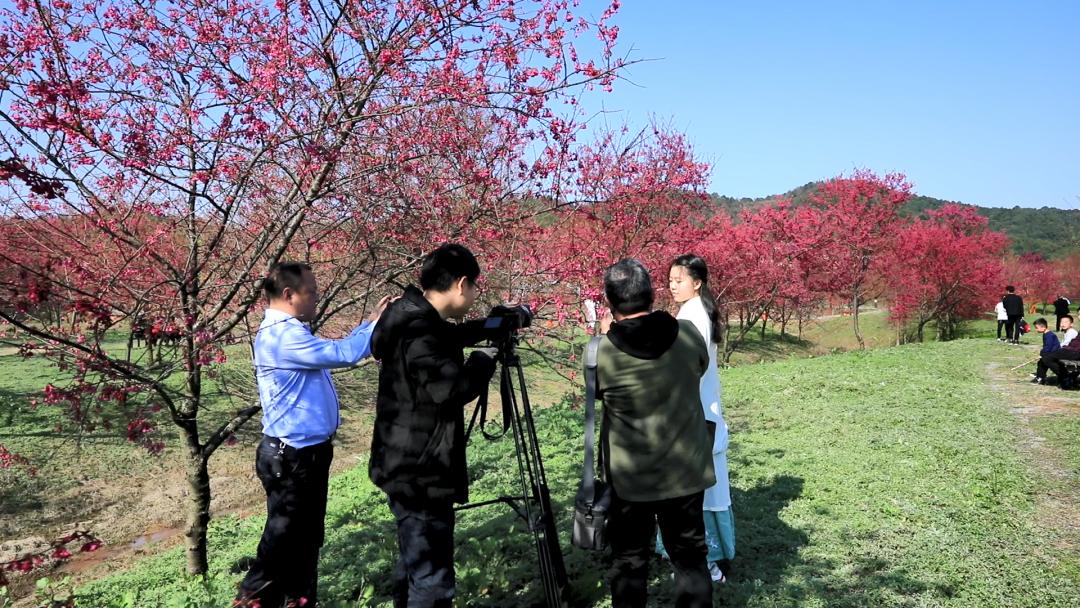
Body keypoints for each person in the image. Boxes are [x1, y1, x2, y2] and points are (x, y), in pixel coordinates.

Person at [237, 262, 387, 607]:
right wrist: (375, 326)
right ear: (289, 295)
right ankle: (253, 596)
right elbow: (345, 354)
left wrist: (368, 325)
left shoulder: (289, 332)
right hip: (292, 455)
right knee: (285, 534)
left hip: (305, 452)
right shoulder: (282, 336)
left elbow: (338, 350)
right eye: (312, 291)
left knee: (305, 537)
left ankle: (297, 599)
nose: (317, 298)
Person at [369, 243, 497, 608]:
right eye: (474, 286)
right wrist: (482, 362)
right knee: (432, 578)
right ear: (460, 284)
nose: (474, 294)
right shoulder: (420, 330)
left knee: (416, 559)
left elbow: (447, 337)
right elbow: (451, 388)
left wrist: (491, 325)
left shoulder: (408, 316)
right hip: (421, 470)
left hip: (402, 461)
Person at [596, 258, 715, 608]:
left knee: (630, 562)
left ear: (610, 302)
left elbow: (599, 391)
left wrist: (607, 336)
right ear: (651, 294)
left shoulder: (602, 352)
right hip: (685, 471)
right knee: (691, 559)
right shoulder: (688, 335)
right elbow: (699, 367)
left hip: (631, 478)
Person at [665, 254, 735, 582]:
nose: (672, 286)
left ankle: (705, 564)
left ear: (697, 282)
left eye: (679, 280)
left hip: (694, 417)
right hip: (706, 412)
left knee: (695, 496)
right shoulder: (697, 310)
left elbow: (686, 371)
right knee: (703, 492)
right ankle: (706, 560)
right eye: (670, 280)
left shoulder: (691, 316)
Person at [1030, 318, 1061, 385]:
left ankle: (1061, 376)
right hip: (1050, 353)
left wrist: (1042, 354)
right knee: (1041, 362)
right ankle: (1040, 377)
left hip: (1055, 354)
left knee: (1044, 361)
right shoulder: (1046, 334)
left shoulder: (1050, 335)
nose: (1036, 329)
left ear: (1043, 327)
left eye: (1037, 328)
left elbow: (1048, 347)